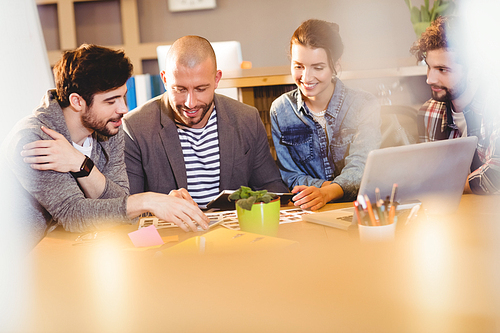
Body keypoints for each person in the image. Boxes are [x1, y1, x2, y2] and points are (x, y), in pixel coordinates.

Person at [2, 44, 209, 250]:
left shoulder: (108, 128)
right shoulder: (33, 139)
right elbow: (73, 214)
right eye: (111, 101)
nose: (124, 109)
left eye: (123, 96)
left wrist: (80, 163)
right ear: (77, 101)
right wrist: (147, 201)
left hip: (73, 251)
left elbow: (117, 205)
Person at [123, 35, 288, 208]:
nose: (190, 103)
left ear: (217, 79)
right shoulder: (135, 128)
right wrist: (159, 204)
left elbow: (271, 188)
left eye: (201, 89)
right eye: (180, 89)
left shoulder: (246, 119)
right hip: (172, 233)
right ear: (164, 79)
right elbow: (129, 210)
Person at [270, 19, 381, 211]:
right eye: (298, 66)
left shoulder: (364, 104)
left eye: (318, 68)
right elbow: (289, 174)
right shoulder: (280, 110)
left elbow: (362, 166)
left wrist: (328, 193)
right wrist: (323, 190)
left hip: (357, 208)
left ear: (336, 65)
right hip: (309, 209)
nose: (306, 78)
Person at [410, 16, 500, 194]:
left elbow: (494, 176)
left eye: (443, 70)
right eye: (429, 66)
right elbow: (429, 176)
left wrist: (439, 186)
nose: (430, 79)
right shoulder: (429, 112)